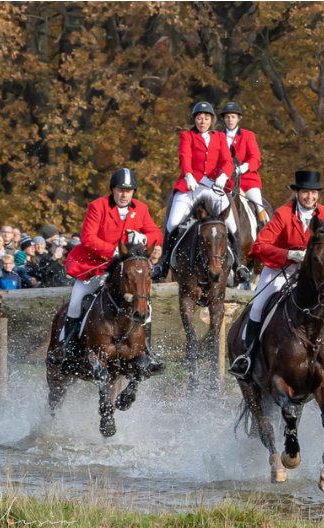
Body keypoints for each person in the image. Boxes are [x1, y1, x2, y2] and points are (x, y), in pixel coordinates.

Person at [49, 168, 164, 369]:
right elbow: (88, 239)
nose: (124, 194)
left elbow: (155, 233)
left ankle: (147, 352)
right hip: (96, 266)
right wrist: (114, 252)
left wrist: (144, 239)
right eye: (120, 190)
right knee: (76, 301)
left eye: (128, 191)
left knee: (146, 307)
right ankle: (66, 348)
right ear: (113, 189)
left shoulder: (141, 209)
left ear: (133, 192)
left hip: (124, 274)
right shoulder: (97, 206)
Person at [228, 170, 324, 379]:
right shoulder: (283, 213)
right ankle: (247, 358)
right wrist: (289, 254)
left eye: (313, 193)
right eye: (305, 192)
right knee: (259, 307)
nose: (309, 197)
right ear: (297, 193)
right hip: (282, 268)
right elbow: (259, 247)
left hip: (314, 272)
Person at [160, 101, 248, 283]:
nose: (202, 121)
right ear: (195, 119)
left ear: (212, 120)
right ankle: (163, 264)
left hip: (214, 186)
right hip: (191, 185)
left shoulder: (219, 137)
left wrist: (224, 175)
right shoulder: (187, 136)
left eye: (206, 118)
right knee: (173, 221)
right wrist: (188, 175)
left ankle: (239, 265)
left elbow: (227, 160)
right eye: (199, 118)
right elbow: (185, 157)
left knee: (231, 224)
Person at [219, 101, 270, 229]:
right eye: (227, 117)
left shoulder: (248, 135)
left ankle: (265, 232)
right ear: (224, 119)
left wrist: (243, 168)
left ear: (238, 118)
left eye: (233, 117)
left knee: (258, 205)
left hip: (247, 181)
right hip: (225, 181)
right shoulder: (217, 136)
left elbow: (255, 158)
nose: (230, 120)